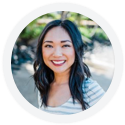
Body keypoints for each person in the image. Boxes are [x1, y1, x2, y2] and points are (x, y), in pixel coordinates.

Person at [33, 19, 105, 115]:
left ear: (76, 49)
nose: (57, 54)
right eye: (49, 46)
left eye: (65, 45)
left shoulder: (90, 90)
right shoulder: (43, 84)